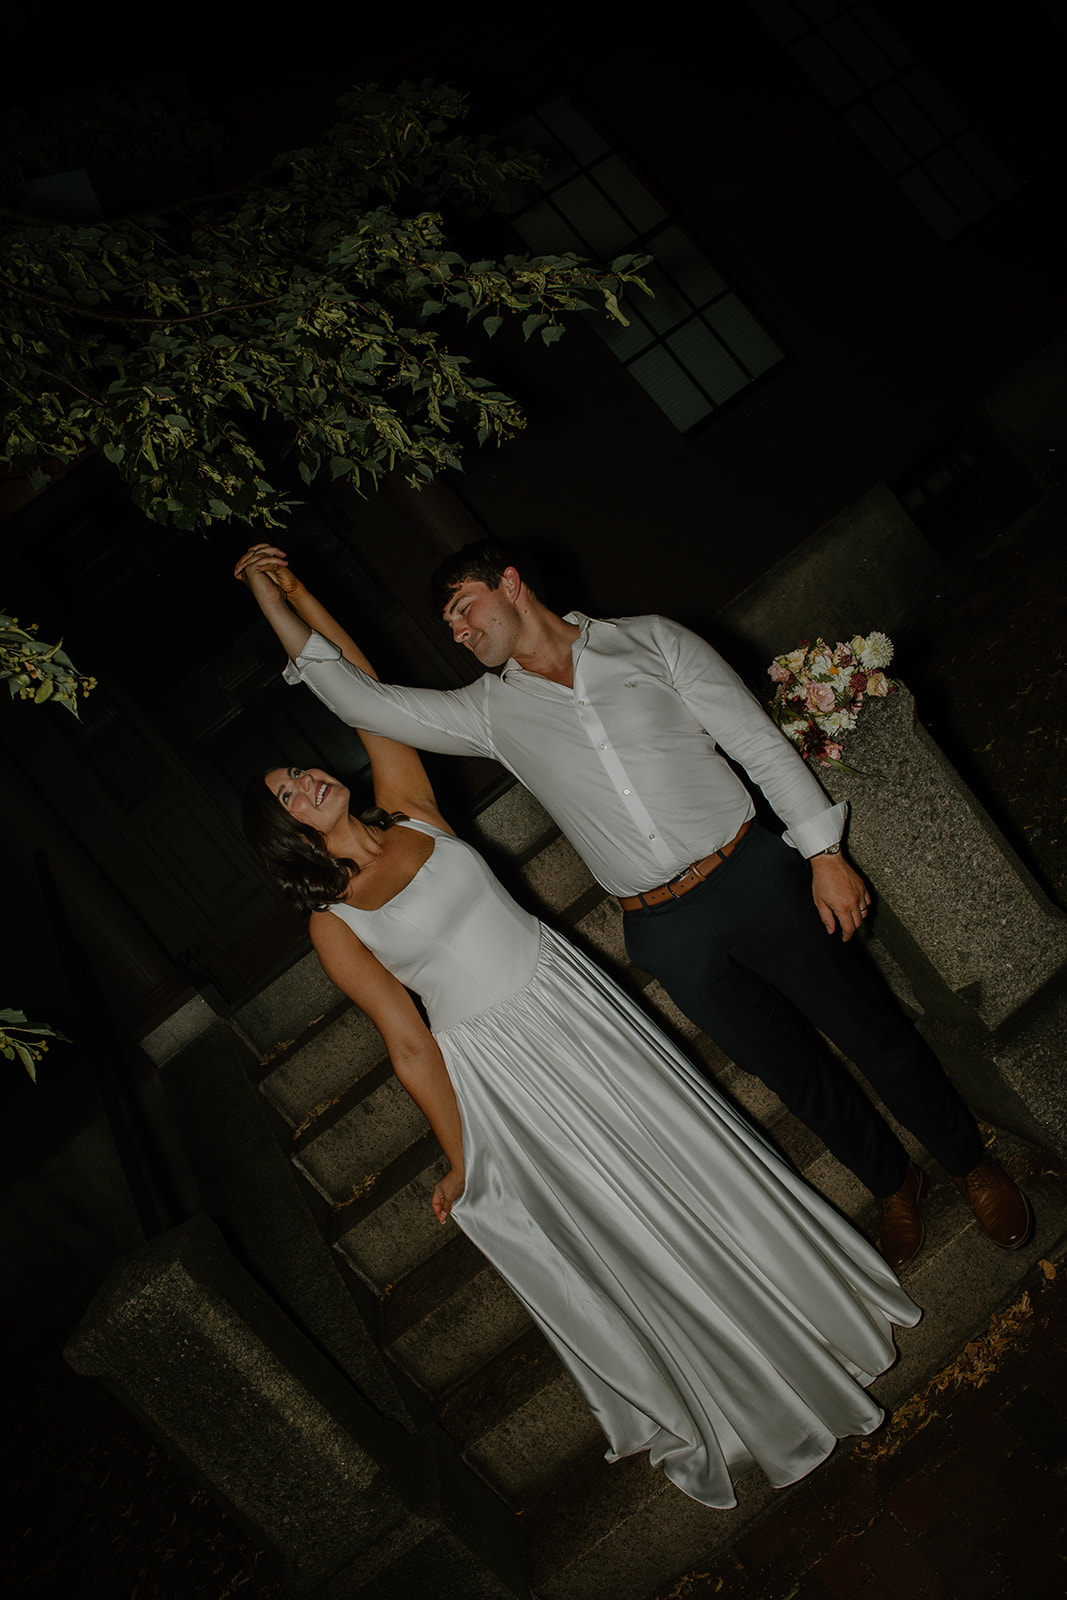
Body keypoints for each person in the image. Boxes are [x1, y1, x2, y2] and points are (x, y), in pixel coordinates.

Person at [236, 545, 921, 1511]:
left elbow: (363, 695)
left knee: (692, 1160)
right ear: (287, 834)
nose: (306, 780)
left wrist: (292, 593)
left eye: (300, 770)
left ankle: (804, 1308)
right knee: (637, 1220)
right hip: (505, 1068)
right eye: (286, 793)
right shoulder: (332, 922)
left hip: (573, 1004)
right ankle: (739, 1386)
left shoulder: (410, 809)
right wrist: (462, 1155)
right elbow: (407, 1043)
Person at [234, 539, 1033, 1273]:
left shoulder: (652, 640)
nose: (458, 632)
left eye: (463, 610)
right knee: (789, 1070)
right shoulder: (487, 712)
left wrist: (822, 853)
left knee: (869, 1030)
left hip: (753, 874)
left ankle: (969, 1165)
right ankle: (892, 1184)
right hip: (663, 928)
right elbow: (360, 702)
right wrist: (278, 597)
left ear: (510, 584)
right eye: (448, 625)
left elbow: (756, 742)